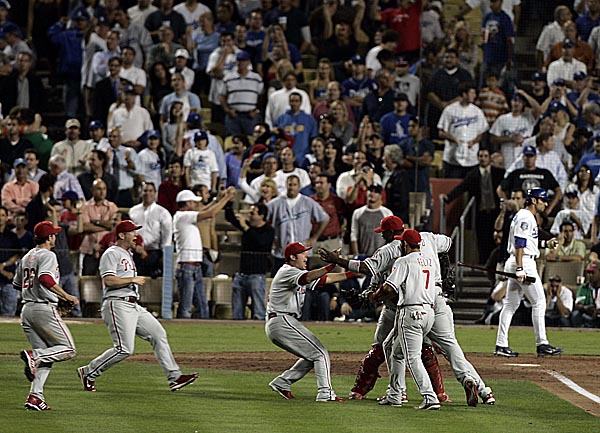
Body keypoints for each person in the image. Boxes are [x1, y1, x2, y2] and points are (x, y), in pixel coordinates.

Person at [77, 219, 198, 392]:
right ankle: (89, 372)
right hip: (117, 303)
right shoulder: (112, 253)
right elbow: (108, 280)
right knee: (124, 349)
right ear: (121, 235)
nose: (136, 235)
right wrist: (132, 279)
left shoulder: (128, 254)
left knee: (158, 334)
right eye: (133, 232)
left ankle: (175, 377)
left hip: (133, 305)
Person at [266, 241, 355, 402]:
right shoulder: (288, 271)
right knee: (320, 354)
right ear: (292, 257)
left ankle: (283, 382)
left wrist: (353, 273)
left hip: (283, 321)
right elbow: (309, 277)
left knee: (312, 355)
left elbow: (324, 279)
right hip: (281, 320)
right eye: (303, 253)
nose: (306, 256)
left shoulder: (296, 272)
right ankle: (325, 393)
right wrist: (332, 263)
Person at [15, 221, 79, 411]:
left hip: (26, 310)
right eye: (54, 234)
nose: (56, 237)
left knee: (47, 357)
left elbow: (17, 284)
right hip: (43, 309)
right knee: (68, 349)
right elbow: (45, 278)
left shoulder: (27, 256)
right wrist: (65, 295)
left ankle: (35, 396)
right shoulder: (48, 254)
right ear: (49, 237)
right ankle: (33, 356)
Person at [374, 229, 440, 410]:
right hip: (429, 313)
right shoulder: (430, 261)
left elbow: (389, 288)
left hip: (410, 313)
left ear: (405, 244)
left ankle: (430, 397)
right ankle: (395, 394)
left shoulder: (403, 261)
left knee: (412, 357)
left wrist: (374, 296)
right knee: (391, 347)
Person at [494, 188, 564, 357]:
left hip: (519, 260)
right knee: (539, 301)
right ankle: (542, 343)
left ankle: (501, 345)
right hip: (523, 261)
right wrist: (519, 268)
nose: (545, 203)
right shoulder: (525, 217)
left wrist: (546, 244)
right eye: (543, 200)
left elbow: (529, 242)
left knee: (510, 305)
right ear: (534, 201)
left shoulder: (524, 215)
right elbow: (519, 244)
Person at [173, 188, 236, 318]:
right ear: (187, 203)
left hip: (195, 266)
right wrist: (226, 198)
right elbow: (210, 213)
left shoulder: (185, 217)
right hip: (187, 266)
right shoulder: (182, 216)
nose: (196, 204)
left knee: (202, 306)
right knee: (186, 307)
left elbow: (204, 211)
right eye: (193, 202)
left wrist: (216, 200)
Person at [442, 148, 505, 264]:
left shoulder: (499, 172)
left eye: (485, 156)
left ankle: (496, 263)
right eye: (481, 156)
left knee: (496, 238)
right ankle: (483, 264)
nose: (483, 158)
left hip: (495, 212)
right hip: (480, 212)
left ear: (490, 158)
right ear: (477, 158)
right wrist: (449, 197)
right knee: (481, 238)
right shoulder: (473, 174)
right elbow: (461, 187)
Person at [267, 175, 329, 274]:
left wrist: (314, 238)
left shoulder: (308, 202)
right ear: (286, 186)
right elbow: (263, 221)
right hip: (281, 252)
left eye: (294, 185)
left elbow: (324, 218)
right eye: (290, 185)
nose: (292, 187)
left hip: (302, 252)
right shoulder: (275, 204)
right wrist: (270, 240)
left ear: (299, 186)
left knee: (301, 284)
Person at [225, 203, 275, 320]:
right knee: (237, 311)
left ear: (262, 216)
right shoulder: (247, 227)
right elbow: (230, 218)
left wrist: (246, 227)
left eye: (253, 213)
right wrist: (228, 202)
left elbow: (261, 243)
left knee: (258, 310)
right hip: (242, 273)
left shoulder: (268, 231)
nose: (249, 216)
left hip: (257, 275)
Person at [438, 81, 488, 179]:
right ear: (464, 94)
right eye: (472, 93)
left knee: (471, 189)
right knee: (451, 187)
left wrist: (474, 141)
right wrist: (455, 139)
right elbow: (441, 132)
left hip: (472, 158)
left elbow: (482, 132)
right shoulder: (450, 110)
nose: (474, 96)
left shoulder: (477, 111)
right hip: (452, 158)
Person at [129, 182, 172, 277]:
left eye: (150, 191)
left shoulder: (163, 212)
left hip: (154, 252)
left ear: (155, 193)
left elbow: (167, 235)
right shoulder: (133, 211)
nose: (147, 193)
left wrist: (164, 255)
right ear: (141, 193)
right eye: (145, 190)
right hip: (136, 251)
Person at [0, 205, 20, 316]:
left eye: (2, 215)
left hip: (9, 280)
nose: (0, 218)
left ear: (7, 217)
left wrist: (4, 264)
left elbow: (16, 254)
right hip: (5, 274)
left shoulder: (12, 236)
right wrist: (3, 271)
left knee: (9, 314)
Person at [572, 260, 600, 328]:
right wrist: (586, 308)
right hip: (588, 315)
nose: (589, 275)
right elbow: (578, 304)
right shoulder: (584, 287)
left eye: (592, 273)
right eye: (588, 272)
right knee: (575, 314)